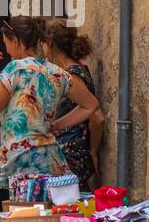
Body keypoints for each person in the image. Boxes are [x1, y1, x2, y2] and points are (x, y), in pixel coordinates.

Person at [0, 16, 99, 205]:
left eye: (7, 43)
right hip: (50, 162)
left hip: (17, 163)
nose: (7, 50)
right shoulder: (58, 73)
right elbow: (91, 105)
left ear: (17, 41)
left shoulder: (15, 69)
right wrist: (57, 125)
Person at [43, 21, 104, 191]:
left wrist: (93, 151)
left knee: (69, 201)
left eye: (44, 44)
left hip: (71, 153)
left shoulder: (72, 76)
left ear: (50, 43)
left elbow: (98, 117)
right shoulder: (79, 69)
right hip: (73, 152)